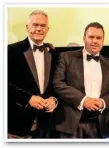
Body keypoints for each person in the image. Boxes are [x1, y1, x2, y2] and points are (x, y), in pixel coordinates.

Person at [52, 22, 109, 138]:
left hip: (99, 126)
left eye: (99, 38)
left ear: (103, 40)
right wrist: (83, 100)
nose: (95, 41)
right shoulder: (66, 57)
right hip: (71, 124)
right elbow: (58, 84)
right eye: (91, 37)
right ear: (84, 38)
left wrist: (103, 102)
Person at [8, 10, 58, 138]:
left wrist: (54, 100)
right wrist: (28, 98)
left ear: (47, 29)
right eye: (35, 25)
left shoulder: (52, 53)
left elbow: (55, 84)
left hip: (44, 127)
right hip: (15, 126)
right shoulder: (10, 51)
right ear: (27, 27)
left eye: (43, 26)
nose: (39, 29)